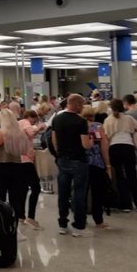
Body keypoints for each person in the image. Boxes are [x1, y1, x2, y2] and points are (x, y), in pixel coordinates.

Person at [52, 94, 93, 237]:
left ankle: (62, 224)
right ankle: (79, 226)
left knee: (63, 193)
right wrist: (91, 142)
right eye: (81, 105)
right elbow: (85, 144)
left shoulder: (57, 119)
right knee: (79, 193)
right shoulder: (81, 122)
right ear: (76, 104)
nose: (82, 107)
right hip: (78, 160)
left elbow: (54, 140)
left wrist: (60, 154)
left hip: (63, 159)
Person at [103, 99, 137, 213]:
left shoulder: (108, 120)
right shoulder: (129, 118)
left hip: (114, 148)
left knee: (120, 177)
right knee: (132, 175)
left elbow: (106, 137)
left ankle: (126, 205)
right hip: (128, 147)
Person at [0, 109, 30, 231]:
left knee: (1, 197)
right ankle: (14, 224)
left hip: (2, 165)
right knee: (15, 198)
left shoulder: (0, 133)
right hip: (17, 166)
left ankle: (1, 224)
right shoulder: (20, 133)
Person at [81, 105, 111, 229]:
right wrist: (108, 164)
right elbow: (104, 146)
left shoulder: (78, 127)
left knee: (81, 192)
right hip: (97, 163)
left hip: (82, 162)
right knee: (97, 193)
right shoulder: (97, 127)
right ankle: (98, 220)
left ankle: (81, 219)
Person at [18, 109, 45, 230]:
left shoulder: (19, 123)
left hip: (20, 159)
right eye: (34, 120)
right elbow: (30, 133)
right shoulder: (25, 123)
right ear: (30, 117)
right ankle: (31, 217)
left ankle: (21, 215)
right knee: (35, 187)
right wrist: (39, 127)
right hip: (25, 160)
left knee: (23, 188)